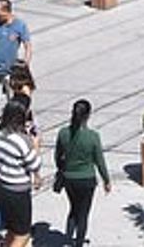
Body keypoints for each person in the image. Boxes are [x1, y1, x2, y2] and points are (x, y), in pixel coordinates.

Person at [55, 99, 112, 247]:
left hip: (69, 179)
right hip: (87, 180)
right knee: (83, 213)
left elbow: (57, 157)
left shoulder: (63, 133)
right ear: (88, 115)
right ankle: (78, 242)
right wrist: (106, 180)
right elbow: (99, 161)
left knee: (74, 208)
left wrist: (62, 169)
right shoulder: (93, 136)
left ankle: (68, 237)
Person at [0, 99, 42, 247]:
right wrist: (35, 146)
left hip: (1, 187)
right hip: (18, 192)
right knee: (23, 234)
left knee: (12, 230)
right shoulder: (22, 141)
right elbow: (34, 164)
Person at [0, 0, 32, 89]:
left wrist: (26, 62)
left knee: (10, 95)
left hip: (10, 69)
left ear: (6, 12)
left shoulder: (19, 25)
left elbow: (27, 46)